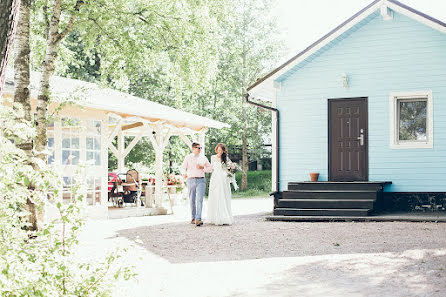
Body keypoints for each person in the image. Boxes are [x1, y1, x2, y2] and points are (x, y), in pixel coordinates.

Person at [181, 142, 212, 226]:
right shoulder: (188, 157)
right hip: (190, 180)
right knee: (192, 199)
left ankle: (198, 219)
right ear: (193, 148)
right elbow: (183, 168)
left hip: (201, 180)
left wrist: (203, 167)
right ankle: (193, 217)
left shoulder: (204, 158)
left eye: (200, 148)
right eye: (198, 148)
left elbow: (210, 169)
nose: (200, 149)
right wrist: (184, 174)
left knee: (199, 199)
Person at [207, 143, 235, 226]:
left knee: (222, 195)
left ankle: (224, 217)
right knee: (215, 195)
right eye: (218, 150)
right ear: (216, 150)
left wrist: (232, 169)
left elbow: (228, 168)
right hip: (215, 177)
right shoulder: (213, 157)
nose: (219, 152)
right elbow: (211, 168)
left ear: (223, 151)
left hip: (223, 178)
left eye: (221, 150)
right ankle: (214, 217)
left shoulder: (225, 158)